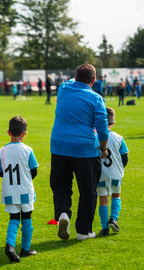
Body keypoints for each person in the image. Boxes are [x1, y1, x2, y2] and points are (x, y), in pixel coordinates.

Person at [50, 64, 108, 241]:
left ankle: (63, 214)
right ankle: (83, 230)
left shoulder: (64, 88)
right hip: (84, 149)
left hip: (59, 145)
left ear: (75, 77)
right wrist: (103, 149)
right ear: (94, 80)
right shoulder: (96, 99)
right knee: (88, 190)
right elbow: (103, 130)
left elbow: (70, 81)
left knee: (60, 186)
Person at [0, 116, 38, 263]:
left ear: (8, 132)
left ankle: (10, 246)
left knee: (13, 218)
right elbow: (34, 171)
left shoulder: (2, 151)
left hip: (9, 190)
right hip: (25, 190)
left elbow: (0, 172)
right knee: (26, 218)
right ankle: (25, 249)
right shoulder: (28, 150)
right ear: (24, 133)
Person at [97, 108, 129, 236]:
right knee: (116, 195)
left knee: (103, 199)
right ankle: (113, 219)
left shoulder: (96, 137)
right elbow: (125, 157)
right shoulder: (119, 138)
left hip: (101, 174)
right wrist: (120, 168)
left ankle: (104, 228)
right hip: (116, 173)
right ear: (113, 123)